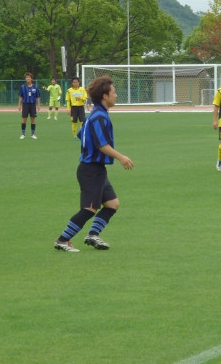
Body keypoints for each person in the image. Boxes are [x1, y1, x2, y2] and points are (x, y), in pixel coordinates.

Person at [54, 75, 134, 252]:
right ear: (104, 96)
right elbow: (102, 145)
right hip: (91, 170)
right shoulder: (99, 117)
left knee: (112, 204)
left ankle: (92, 235)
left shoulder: (96, 114)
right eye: (113, 92)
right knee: (89, 209)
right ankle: (62, 240)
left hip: (96, 169)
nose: (116, 95)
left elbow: (83, 133)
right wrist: (121, 157)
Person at [18, 71, 41, 139]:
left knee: (33, 119)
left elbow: (38, 97)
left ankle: (33, 134)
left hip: (32, 104)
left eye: (29, 77)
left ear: (31, 79)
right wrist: (19, 105)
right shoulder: (23, 87)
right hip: (25, 104)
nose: (28, 78)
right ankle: (23, 134)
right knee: (24, 119)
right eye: (26, 77)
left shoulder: (35, 87)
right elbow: (20, 96)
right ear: (25, 79)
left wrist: (39, 105)